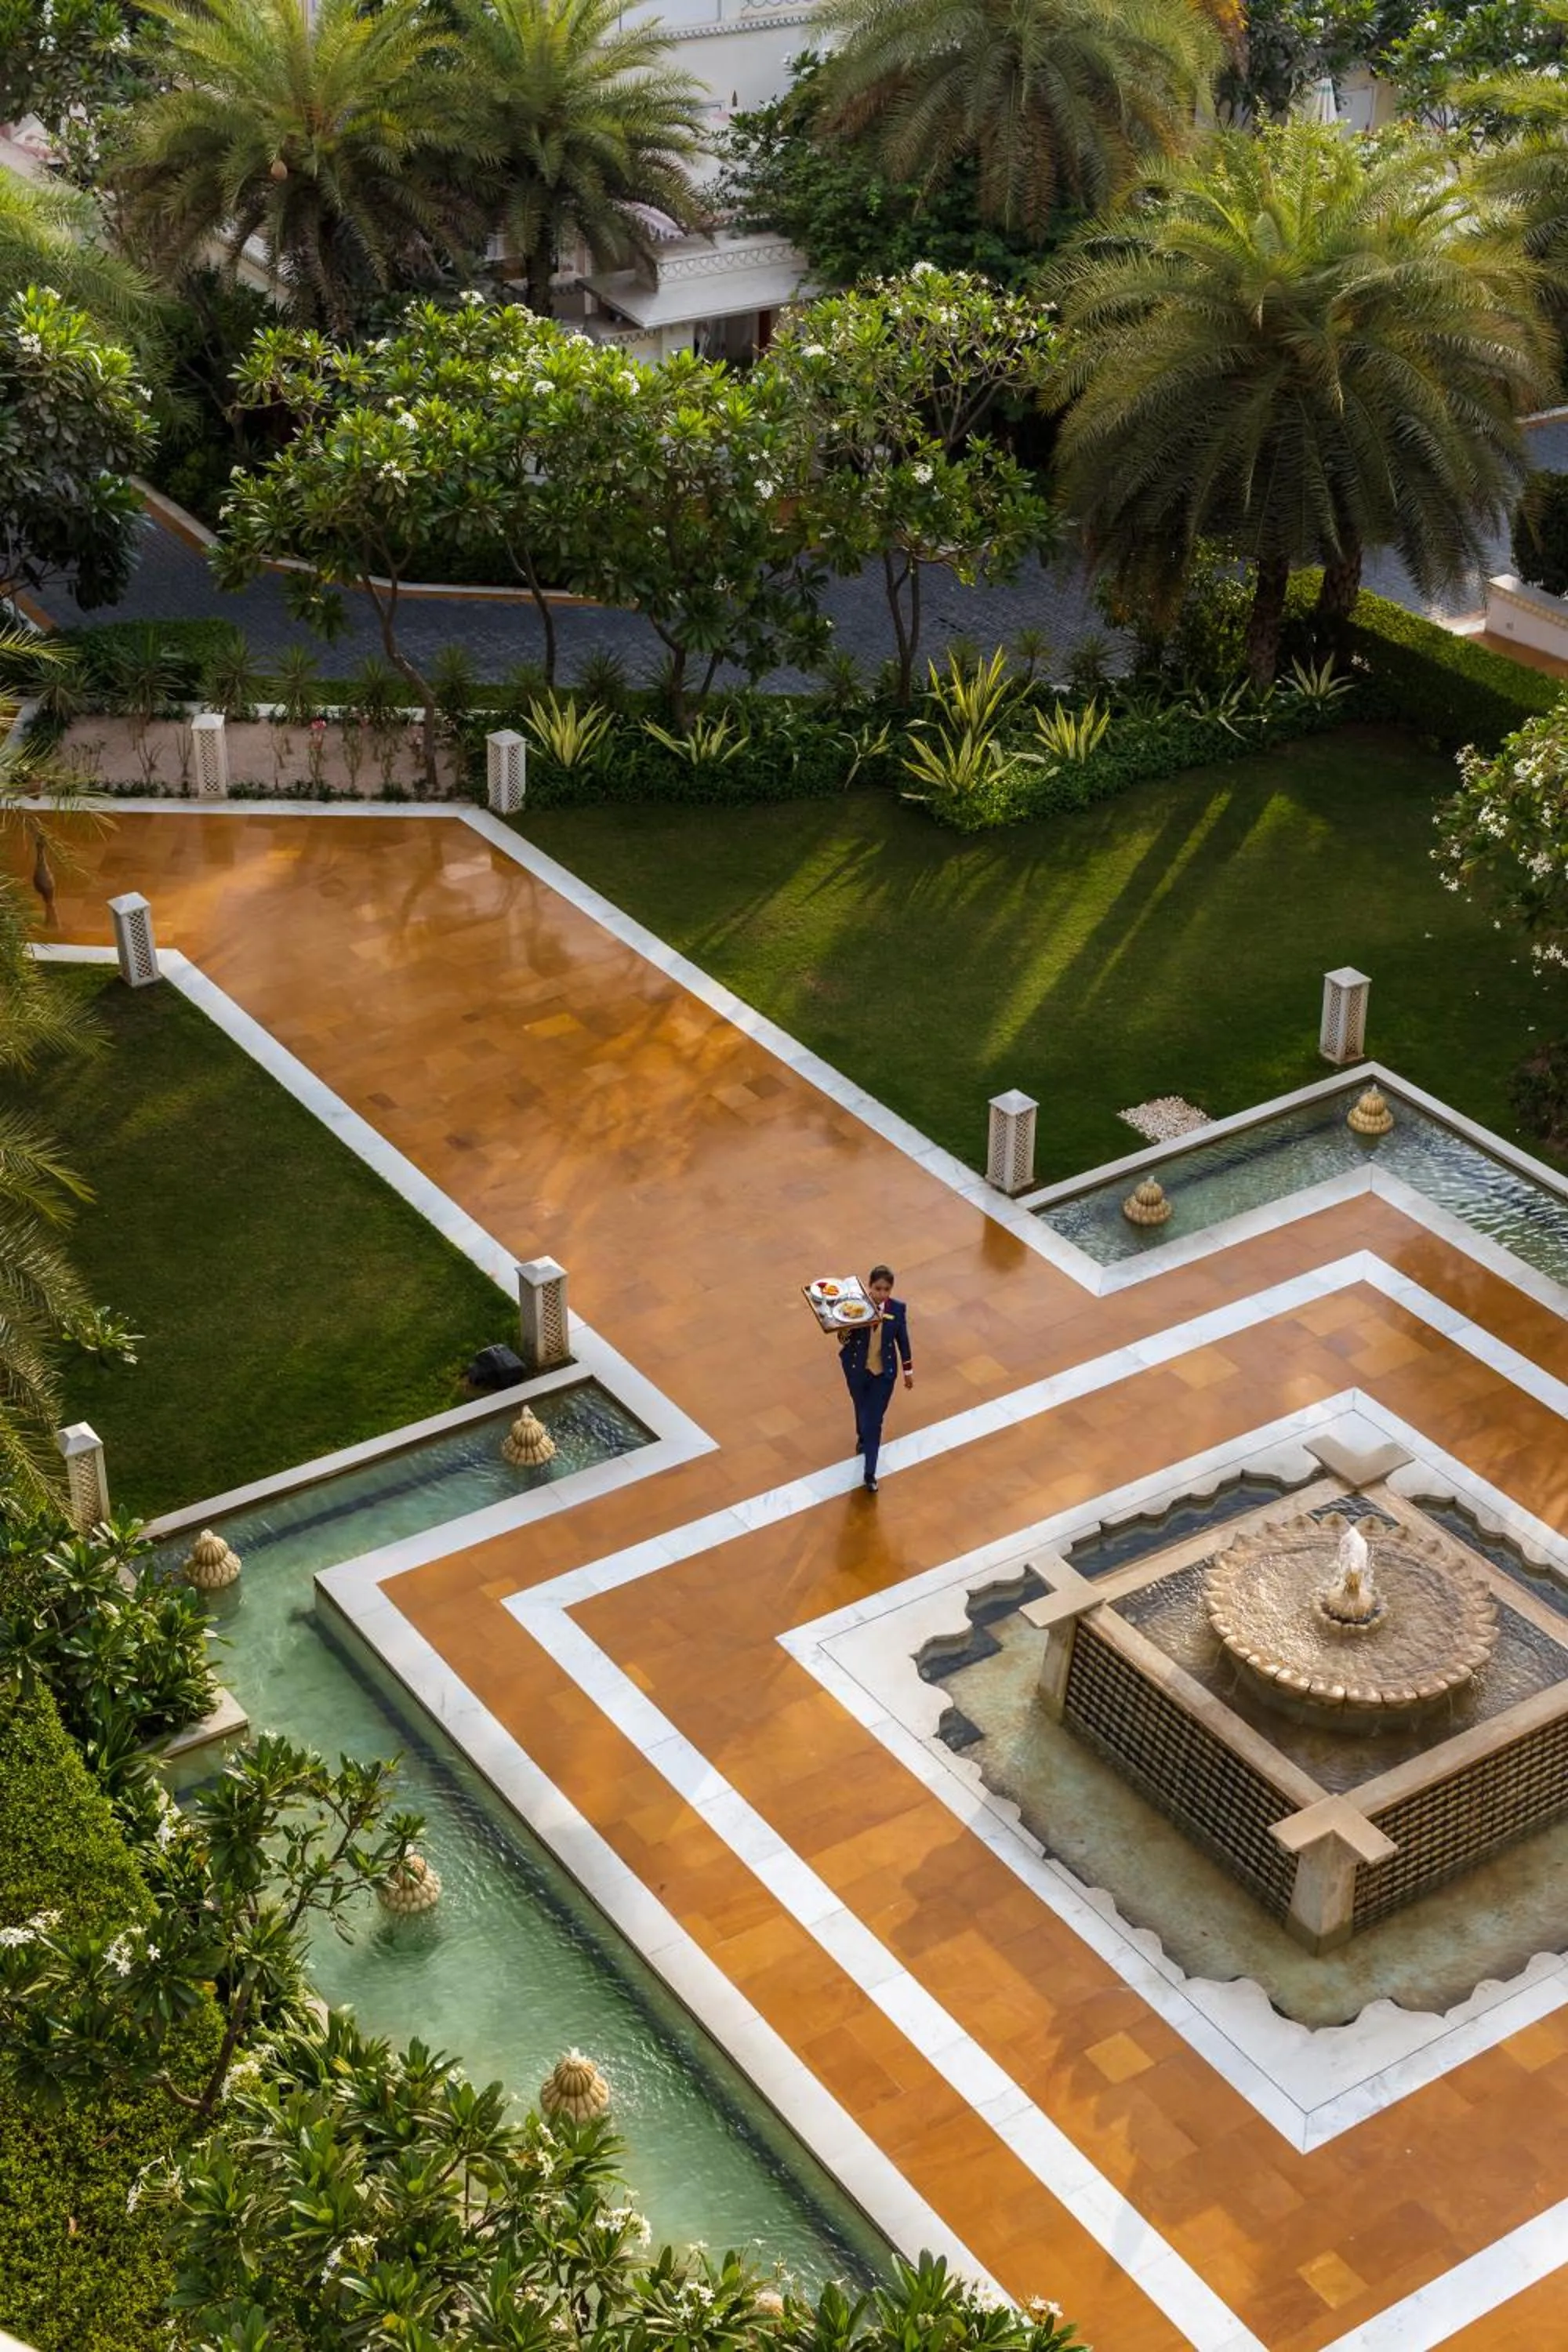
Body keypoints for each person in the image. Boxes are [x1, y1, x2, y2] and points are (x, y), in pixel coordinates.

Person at [837, 1263, 913, 1494]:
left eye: (886, 1289)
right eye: (878, 1288)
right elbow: (843, 1338)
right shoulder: (856, 1308)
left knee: (875, 1421)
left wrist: (908, 1372)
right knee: (861, 1409)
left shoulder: (897, 1310)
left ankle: (870, 1473)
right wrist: (852, 1325)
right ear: (869, 1287)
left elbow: (903, 1342)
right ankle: (862, 1436)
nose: (881, 1294)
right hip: (857, 1370)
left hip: (884, 1374)